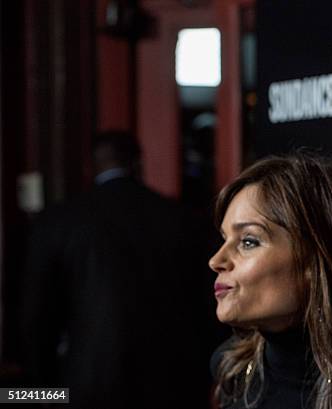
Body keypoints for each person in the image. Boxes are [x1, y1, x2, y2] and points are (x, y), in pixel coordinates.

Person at [19, 131, 213, 408]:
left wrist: (40, 391)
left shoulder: (59, 221)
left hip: (87, 384)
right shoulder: (183, 219)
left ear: (91, 165)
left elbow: (37, 316)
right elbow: (209, 305)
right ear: (137, 163)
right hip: (174, 382)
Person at [208, 154, 332, 409]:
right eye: (224, 239)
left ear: (314, 259)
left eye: (248, 241)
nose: (216, 261)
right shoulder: (232, 369)